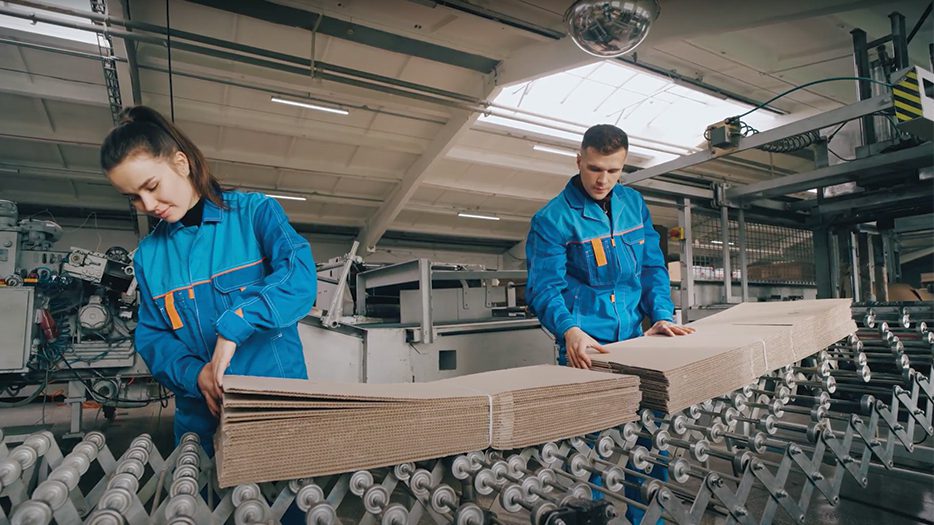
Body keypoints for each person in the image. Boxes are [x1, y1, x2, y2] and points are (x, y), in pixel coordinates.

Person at [100, 106, 316, 455]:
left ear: (181, 163)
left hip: (276, 407)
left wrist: (235, 325)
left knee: (288, 507)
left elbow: (299, 277)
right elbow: (153, 336)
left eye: (152, 186)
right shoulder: (148, 257)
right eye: (134, 197)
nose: (149, 204)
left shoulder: (255, 214)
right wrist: (195, 374)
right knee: (203, 508)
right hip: (200, 421)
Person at [525, 124, 694, 524]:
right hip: (587, 350)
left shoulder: (634, 205)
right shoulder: (552, 219)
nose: (603, 180)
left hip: (637, 342)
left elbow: (653, 268)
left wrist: (663, 316)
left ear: (624, 166)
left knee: (652, 443)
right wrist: (569, 330)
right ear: (579, 160)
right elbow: (544, 289)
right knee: (589, 452)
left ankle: (645, 518)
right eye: (596, 168)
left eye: (614, 171)